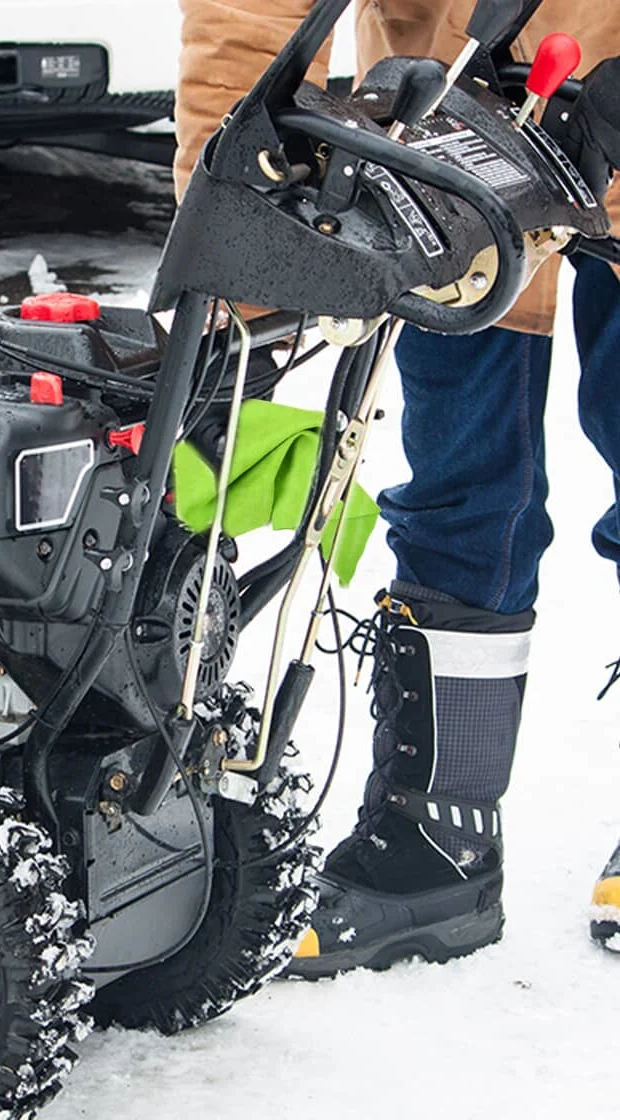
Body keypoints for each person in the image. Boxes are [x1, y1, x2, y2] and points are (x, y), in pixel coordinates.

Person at [174, 0, 620, 974]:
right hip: (453, 156)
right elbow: (243, 15)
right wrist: (234, 258)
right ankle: (435, 851)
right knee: (460, 495)